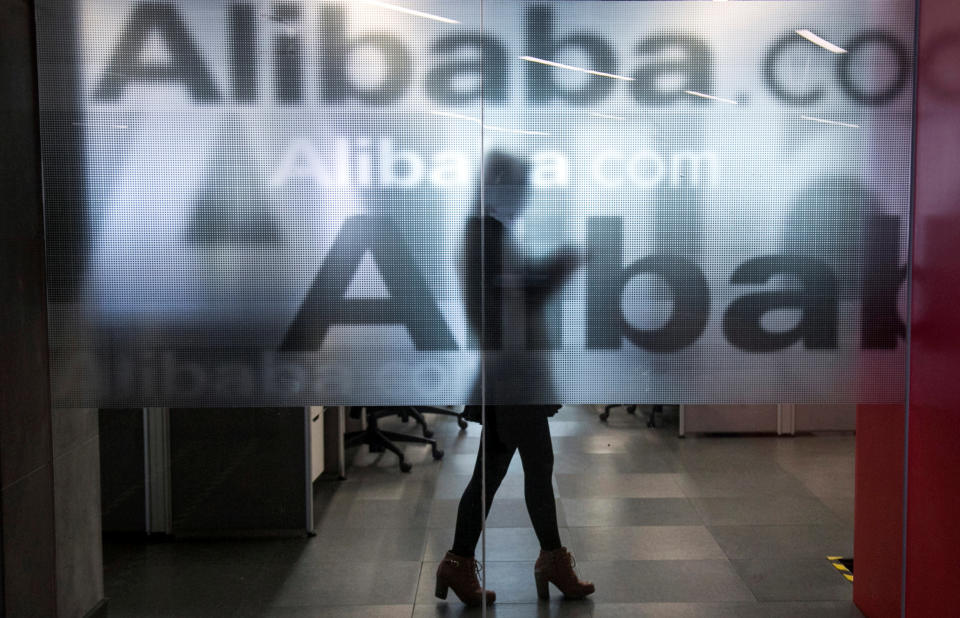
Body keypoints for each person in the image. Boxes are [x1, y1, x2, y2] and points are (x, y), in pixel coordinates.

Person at [435, 152, 595, 607]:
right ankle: (550, 560)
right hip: (511, 376)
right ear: (499, 186)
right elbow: (500, 311)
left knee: (497, 469)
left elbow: (516, 296)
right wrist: (555, 273)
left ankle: (460, 562)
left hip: (514, 372)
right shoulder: (484, 235)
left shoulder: (490, 233)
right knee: (534, 465)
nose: (525, 196)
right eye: (520, 186)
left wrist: (553, 273)